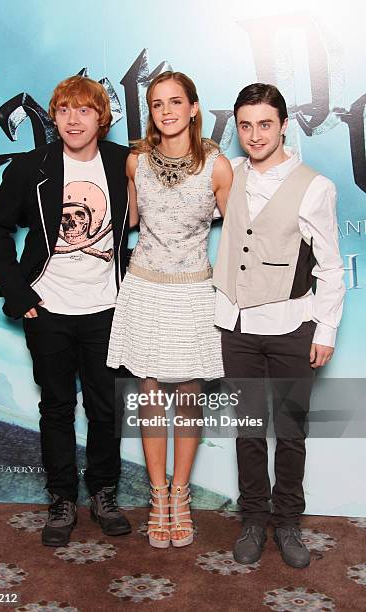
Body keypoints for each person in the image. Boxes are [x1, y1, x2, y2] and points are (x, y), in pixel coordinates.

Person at [0, 75, 132, 547]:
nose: (73, 119)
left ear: (101, 118)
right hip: (49, 309)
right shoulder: (33, 167)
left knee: (107, 408)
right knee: (57, 407)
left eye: (84, 110)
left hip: (108, 307)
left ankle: (104, 493)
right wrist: (21, 294)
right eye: (64, 110)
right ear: (54, 117)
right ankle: (62, 498)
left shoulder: (122, 162)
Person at [213, 83, 345, 568]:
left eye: (264, 124)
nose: (254, 134)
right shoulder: (226, 177)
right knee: (248, 429)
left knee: (290, 431)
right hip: (236, 327)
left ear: (284, 124)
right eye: (245, 125)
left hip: (293, 326)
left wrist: (326, 331)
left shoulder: (315, 186)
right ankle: (253, 518)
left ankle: (288, 522)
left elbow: (331, 268)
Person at [107, 71, 233, 548]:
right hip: (145, 288)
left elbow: (239, 235)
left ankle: (181, 495)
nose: (167, 111)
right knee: (152, 399)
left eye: (176, 102)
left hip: (193, 291)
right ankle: (158, 496)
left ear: (195, 107)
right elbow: (130, 222)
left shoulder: (218, 167)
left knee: (189, 400)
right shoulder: (135, 161)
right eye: (157, 104)